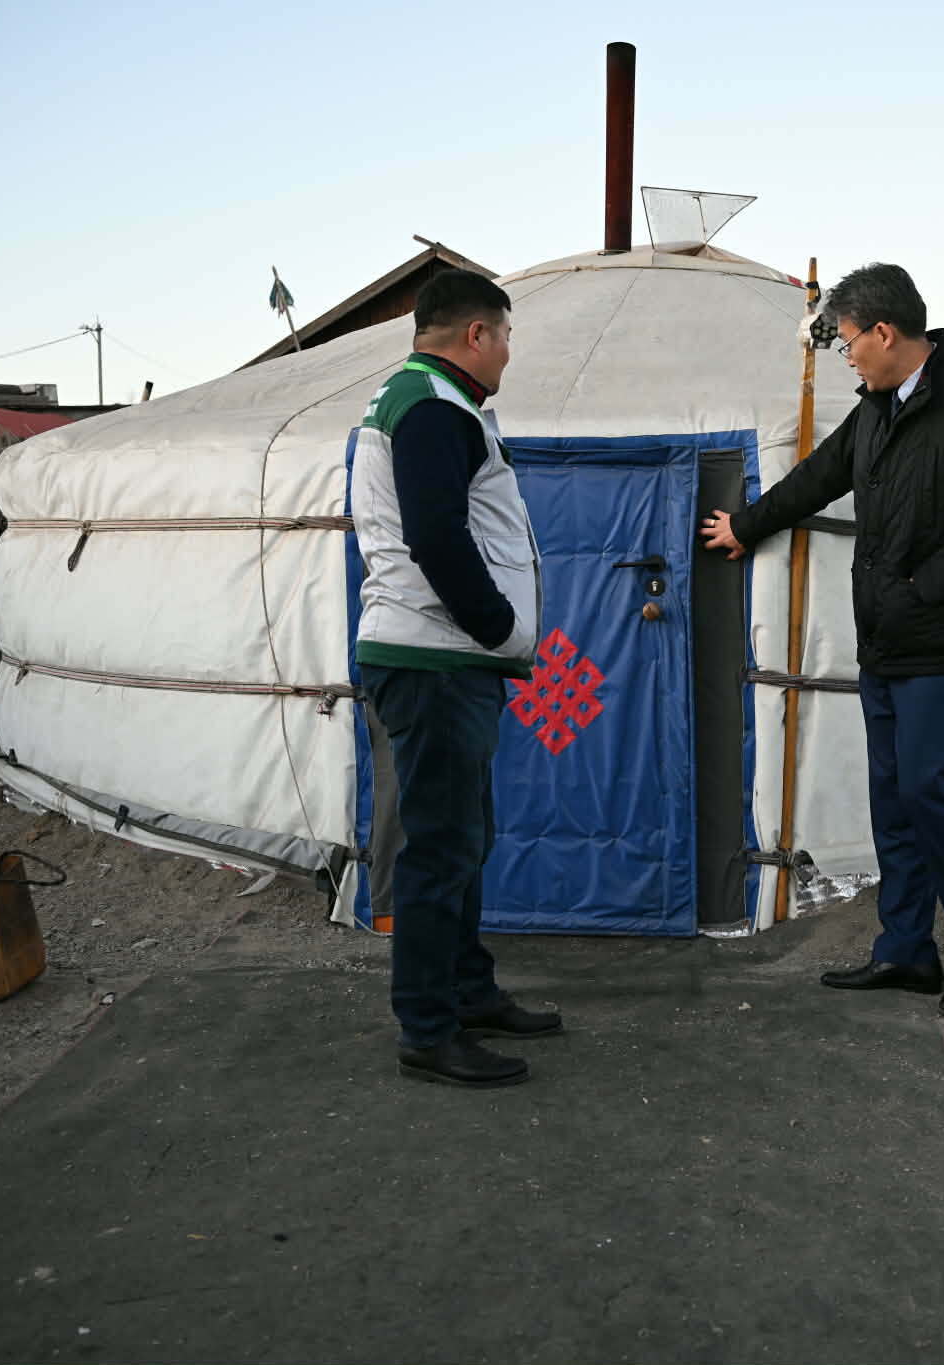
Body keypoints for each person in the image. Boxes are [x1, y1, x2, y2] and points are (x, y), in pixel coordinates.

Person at [700, 263, 944, 1018]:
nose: (847, 355)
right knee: (893, 797)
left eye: (852, 341)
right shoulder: (876, 410)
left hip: (941, 638)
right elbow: (819, 477)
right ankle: (906, 951)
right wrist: (746, 525)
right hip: (882, 638)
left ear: (886, 332)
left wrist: (926, 585)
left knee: (931, 790)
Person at [352, 269, 563, 1088]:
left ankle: (467, 993)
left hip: (445, 660)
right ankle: (428, 1030)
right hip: (434, 658)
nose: (509, 352)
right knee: (440, 847)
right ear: (476, 333)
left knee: (464, 838)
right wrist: (500, 628)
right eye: (506, 334)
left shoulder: (430, 401)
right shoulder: (434, 406)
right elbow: (436, 536)